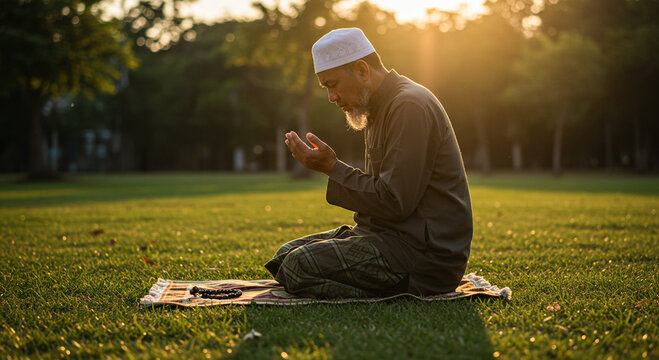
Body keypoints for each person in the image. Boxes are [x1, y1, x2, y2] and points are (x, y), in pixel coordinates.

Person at [264, 28, 473, 298]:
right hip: (388, 237)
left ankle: (394, 292)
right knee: (283, 257)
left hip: (423, 258)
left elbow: (395, 202)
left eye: (333, 85)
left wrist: (332, 167)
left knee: (296, 267)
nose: (331, 98)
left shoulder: (409, 106)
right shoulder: (377, 107)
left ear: (362, 71)